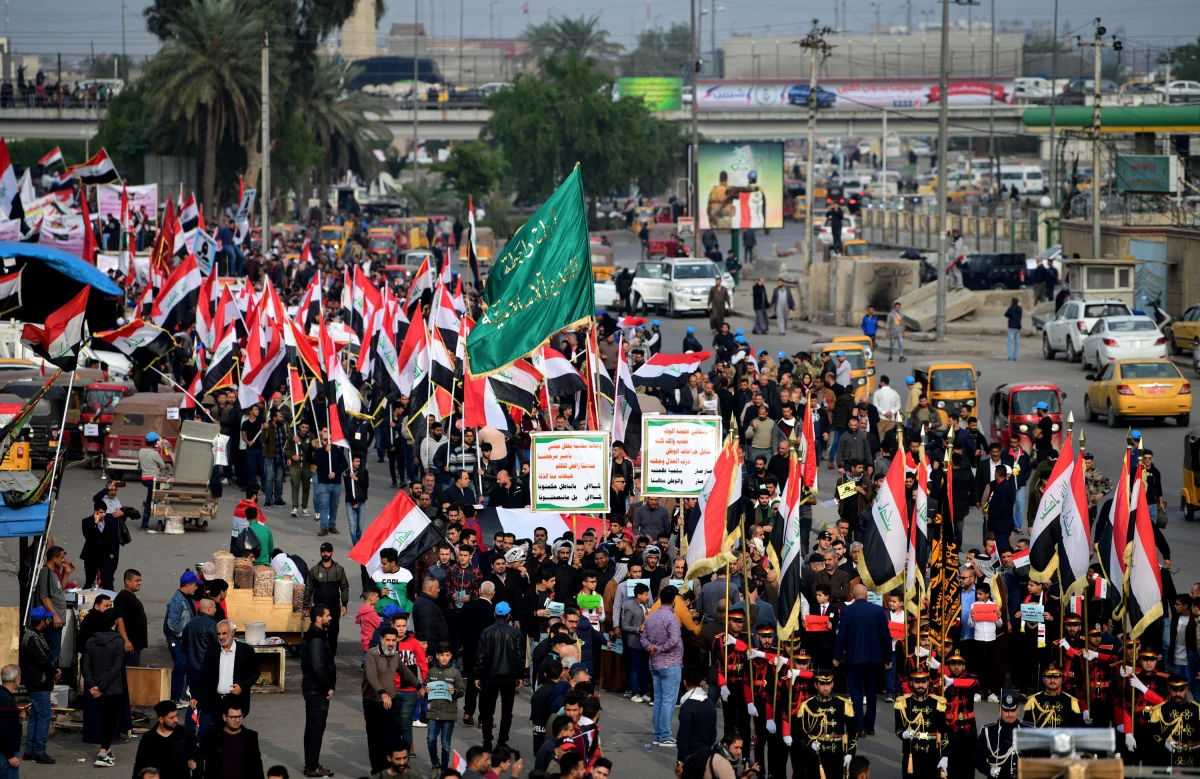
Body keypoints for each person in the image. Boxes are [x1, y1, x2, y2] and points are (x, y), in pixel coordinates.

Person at [833, 583, 892, 735]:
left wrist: (837, 656)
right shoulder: (878, 611)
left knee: (856, 693)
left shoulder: (847, 611)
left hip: (854, 657)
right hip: (874, 659)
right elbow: (885, 635)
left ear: (852, 595)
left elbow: (841, 635)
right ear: (866, 595)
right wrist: (887, 658)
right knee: (872, 693)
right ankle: (870, 726)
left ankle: (859, 726)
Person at [362, 627, 420, 774]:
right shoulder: (372, 654)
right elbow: (371, 676)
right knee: (375, 738)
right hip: (373, 701)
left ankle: (390, 768)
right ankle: (377, 771)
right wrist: (382, 693)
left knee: (391, 736)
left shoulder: (394, 655)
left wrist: (419, 686)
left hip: (390, 701)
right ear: (382, 639)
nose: (390, 643)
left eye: (393, 640)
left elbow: (405, 672)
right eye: (388, 640)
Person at [476, 601, 525, 750]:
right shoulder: (516, 633)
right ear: (509, 615)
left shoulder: (486, 632)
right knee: (507, 711)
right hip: (509, 677)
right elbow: (520, 656)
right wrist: (520, 675)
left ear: (495, 614)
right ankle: (502, 741)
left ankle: (487, 742)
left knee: (487, 711)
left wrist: (477, 675)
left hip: (489, 676)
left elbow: (480, 657)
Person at [643, 585, 684, 747]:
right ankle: (664, 735)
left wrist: (651, 647)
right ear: (674, 601)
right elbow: (674, 640)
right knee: (667, 701)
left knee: (659, 700)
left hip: (655, 663)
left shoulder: (651, 617)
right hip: (670, 663)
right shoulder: (672, 618)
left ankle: (658, 734)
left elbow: (643, 638)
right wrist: (659, 648)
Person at [196, 620, 259, 724]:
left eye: (224, 633)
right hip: (216, 701)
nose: (221, 637)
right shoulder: (212, 650)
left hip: (235, 700)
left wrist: (242, 686)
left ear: (232, 632)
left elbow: (255, 673)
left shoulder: (245, 651)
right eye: (219, 634)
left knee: (232, 732)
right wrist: (197, 697)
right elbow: (204, 674)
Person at [300, 604, 337, 777]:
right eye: (327, 615)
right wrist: (327, 688)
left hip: (314, 689)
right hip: (316, 691)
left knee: (314, 728)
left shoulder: (317, 635)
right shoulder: (316, 639)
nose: (330, 618)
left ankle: (312, 764)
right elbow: (318, 667)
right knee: (316, 728)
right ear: (318, 618)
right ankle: (312, 767)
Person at [19, 607, 59, 765]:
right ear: (42, 622)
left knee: (35, 716)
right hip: (39, 682)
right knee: (44, 717)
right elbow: (42, 661)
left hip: (36, 681)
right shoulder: (33, 639)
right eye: (47, 619)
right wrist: (54, 671)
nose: (49, 621)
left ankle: (29, 750)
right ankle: (39, 751)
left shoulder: (32, 635)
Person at [895, 669, 948, 779]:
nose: (921, 685)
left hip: (932, 755)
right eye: (917, 682)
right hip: (911, 754)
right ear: (911, 683)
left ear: (928, 682)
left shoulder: (937, 703)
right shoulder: (903, 703)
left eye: (923, 682)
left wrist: (945, 755)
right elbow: (898, 729)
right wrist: (904, 734)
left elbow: (944, 732)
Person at [196, 699, 264, 779]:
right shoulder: (212, 736)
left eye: (240, 716)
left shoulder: (250, 737)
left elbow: (257, 765)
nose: (237, 720)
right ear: (224, 717)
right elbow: (199, 758)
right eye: (233, 717)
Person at [303, 542, 350, 654]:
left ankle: (331, 656)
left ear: (332, 553)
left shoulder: (339, 569)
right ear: (320, 553)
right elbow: (308, 588)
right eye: (323, 551)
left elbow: (344, 587)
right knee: (317, 631)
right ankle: (317, 653)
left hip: (334, 606)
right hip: (319, 607)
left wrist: (344, 604)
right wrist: (305, 606)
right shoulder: (314, 570)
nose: (325, 553)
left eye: (328, 551)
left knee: (333, 633)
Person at [425, 641, 464, 773]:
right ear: (437, 655)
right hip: (433, 711)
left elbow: (461, 690)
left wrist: (455, 692)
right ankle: (435, 764)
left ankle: (445, 770)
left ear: (451, 656)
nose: (444, 658)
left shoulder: (455, 673)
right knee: (431, 740)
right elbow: (426, 688)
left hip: (449, 712)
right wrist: (425, 689)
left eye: (447, 655)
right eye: (442, 655)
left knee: (445, 743)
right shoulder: (431, 672)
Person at [132, 700, 197, 779]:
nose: (176, 720)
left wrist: (193, 764)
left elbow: (197, 757)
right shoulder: (148, 738)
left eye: (176, 716)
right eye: (171, 717)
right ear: (161, 719)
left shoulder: (185, 734)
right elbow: (139, 766)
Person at [165, 571, 200, 702]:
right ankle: (175, 697)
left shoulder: (188, 599)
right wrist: (181, 635)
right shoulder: (176, 601)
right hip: (177, 641)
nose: (196, 588)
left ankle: (178, 696)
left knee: (183, 667)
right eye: (195, 585)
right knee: (179, 668)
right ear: (188, 585)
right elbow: (173, 622)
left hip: (184, 640)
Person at [975, 690, 1025, 779]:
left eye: (1013, 710)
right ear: (999, 709)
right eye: (1006, 710)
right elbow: (977, 758)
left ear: (1018, 710)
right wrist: (988, 770)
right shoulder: (988, 731)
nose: (1010, 714)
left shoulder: (1028, 730)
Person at [80, 500, 121, 590]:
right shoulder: (87, 521)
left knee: (107, 581)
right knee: (89, 581)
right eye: (101, 512)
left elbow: (112, 538)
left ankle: (110, 600)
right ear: (96, 512)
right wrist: (95, 523)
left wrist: (111, 553)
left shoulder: (109, 522)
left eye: (104, 512)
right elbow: (88, 536)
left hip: (104, 556)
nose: (103, 514)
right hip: (91, 556)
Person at [114, 568, 148, 666]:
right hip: (130, 645)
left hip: (135, 644)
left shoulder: (130, 596)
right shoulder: (122, 597)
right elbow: (119, 619)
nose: (139, 583)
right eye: (136, 581)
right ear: (127, 582)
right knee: (129, 674)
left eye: (140, 580)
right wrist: (126, 640)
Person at [138, 432, 170, 529]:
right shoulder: (154, 453)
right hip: (154, 480)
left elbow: (139, 466)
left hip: (144, 479)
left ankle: (145, 522)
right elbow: (163, 466)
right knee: (153, 499)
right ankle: (157, 502)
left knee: (149, 499)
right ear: (154, 442)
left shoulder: (140, 451)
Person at [344, 453, 370, 544]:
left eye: (359, 461)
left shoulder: (364, 472)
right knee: (352, 524)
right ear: (352, 462)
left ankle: (358, 539)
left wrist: (356, 478)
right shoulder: (346, 473)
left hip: (361, 501)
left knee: (360, 525)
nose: (358, 463)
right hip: (350, 502)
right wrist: (353, 502)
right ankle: (355, 543)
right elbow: (348, 489)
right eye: (356, 461)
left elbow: (365, 486)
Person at [1, 665, 21, 777]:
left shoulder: (4, 695)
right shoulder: (6, 699)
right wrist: (10, 755)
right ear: (15, 679)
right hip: (6, 754)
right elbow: (4, 728)